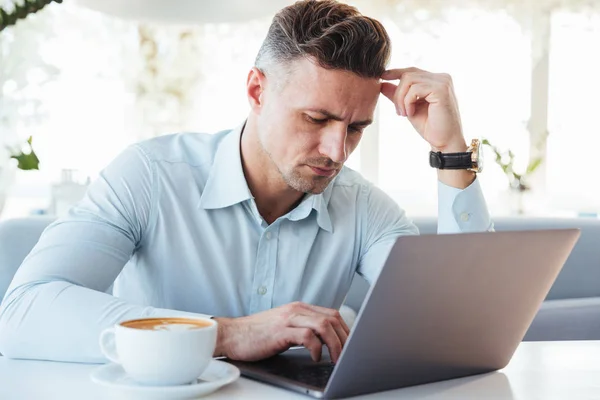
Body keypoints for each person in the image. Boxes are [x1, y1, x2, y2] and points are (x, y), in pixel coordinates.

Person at [0, 0, 492, 364]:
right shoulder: (149, 177)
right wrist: (225, 335)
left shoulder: (365, 209)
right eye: (316, 118)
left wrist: (451, 150)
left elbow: (462, 326)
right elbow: (23, 314)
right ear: (257, 90)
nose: (337, 151)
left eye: (356, 127)